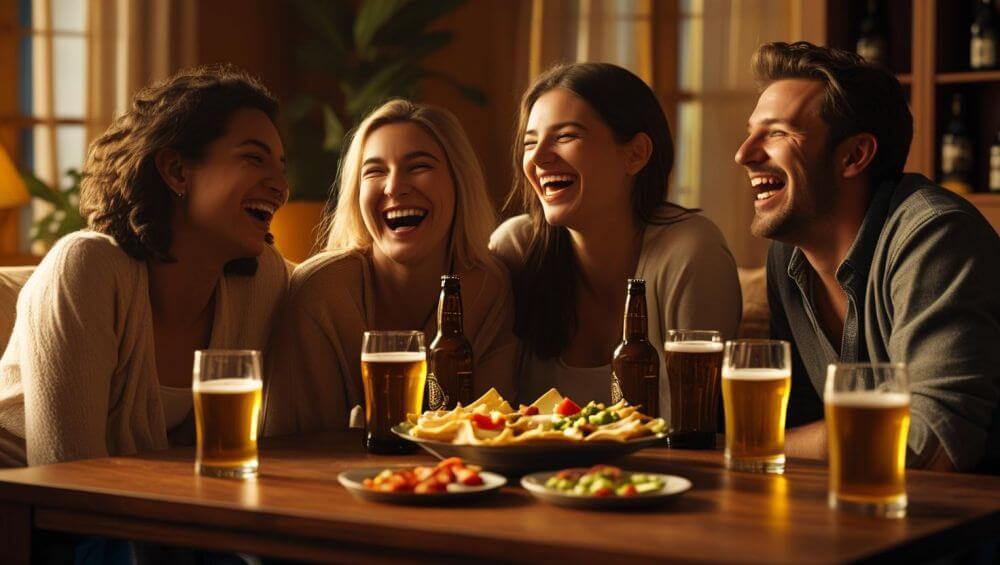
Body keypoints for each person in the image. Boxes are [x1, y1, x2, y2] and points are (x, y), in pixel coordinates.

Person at [0, 65, 290, 467]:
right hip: (29, 515)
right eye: (253, 158)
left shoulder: (260, 278)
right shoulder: (86, 268)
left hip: (146, 509)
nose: (281, 185)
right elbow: (68, 480)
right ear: (176, 170)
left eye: (280, 165)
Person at [735, 41, 1000, 472]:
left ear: (854, 156)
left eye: (778, 132)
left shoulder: (935, 236)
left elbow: (931, 445)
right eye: (751, 132)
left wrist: (757, 442)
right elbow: (805, 421)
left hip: (972, 525)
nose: (744, 154)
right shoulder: (787, 258)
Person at [490, 62, 742, 409]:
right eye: (530, 143)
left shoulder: (691, 251)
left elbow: (693, 427)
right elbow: (482, 409)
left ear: (636, 154)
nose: (540, 158)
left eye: (565, 136)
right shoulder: (515, 248)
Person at [262, 99, 515, 436]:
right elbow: (298, 450)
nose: (394, 187)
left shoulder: (491, 289)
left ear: (459, 182)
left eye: (419, 166)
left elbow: (490, 436)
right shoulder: (321, 293)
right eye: (375, 171)